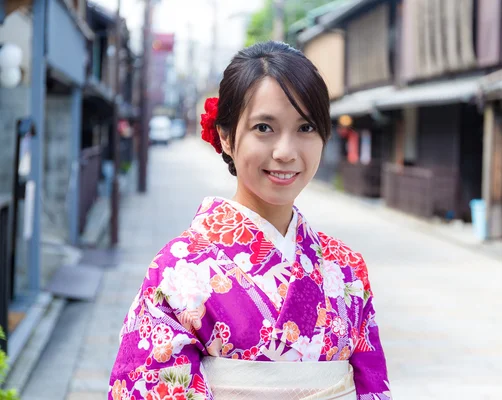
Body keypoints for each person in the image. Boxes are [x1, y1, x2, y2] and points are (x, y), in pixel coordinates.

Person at [108, 41, 391, 400]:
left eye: (305, 128)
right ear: (226, 136)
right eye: (264, 128)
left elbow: (373, 389)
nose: (285, 152)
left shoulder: (347, 269)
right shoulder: (177, 271)